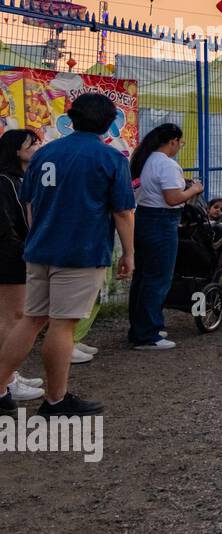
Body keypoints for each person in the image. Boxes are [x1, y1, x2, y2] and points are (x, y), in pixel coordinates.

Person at [0, 94, 134, 417]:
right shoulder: (110, 159)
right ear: (107, 122)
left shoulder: (45, 154)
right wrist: (129, 253)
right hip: (81, 252)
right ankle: (57, 400)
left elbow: (30, 204)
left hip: (39, 250)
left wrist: (39, 236)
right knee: (62, 326)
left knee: (31, 319)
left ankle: (0, 388)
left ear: (71, 118)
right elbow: (123, 212)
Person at [127, 123, 203, 351]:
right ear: (173, 141)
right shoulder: (167, 165)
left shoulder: (144, 160)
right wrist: (194, 189)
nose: (180, 146)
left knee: (143, 277)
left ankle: (141, 327)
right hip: (162, 221)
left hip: (143, 218)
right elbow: (173, 198)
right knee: (158, 278)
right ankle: (148, 334)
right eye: (180, 142)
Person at [0, 129, 44, 403]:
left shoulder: (20, 179)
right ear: (16, 149)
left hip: (19, 253)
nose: (37, 147)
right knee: (12, 318)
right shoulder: (5, 182)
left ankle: (10, 373)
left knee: (16, 316)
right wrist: (21, 249)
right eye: (32, 143)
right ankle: (7, 380)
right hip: (9, 257)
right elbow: (5, 226)